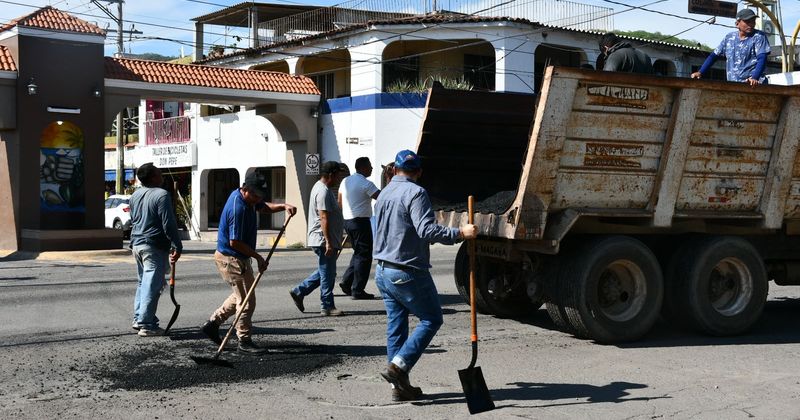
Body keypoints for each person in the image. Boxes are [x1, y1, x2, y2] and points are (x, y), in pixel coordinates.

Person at [373, 150, 477, 401]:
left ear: (394, 170)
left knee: (396, 327)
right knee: (431, 318)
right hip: (407, 271)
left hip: (383, 270)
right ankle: (398, 366)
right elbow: (426, 230)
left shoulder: (385, 192)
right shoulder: (416, 193)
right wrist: (460, 233)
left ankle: (399, 387)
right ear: (419, 172)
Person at [200, 172, 297, 354]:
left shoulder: (249, 199)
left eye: (260, 195)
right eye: (255, 195)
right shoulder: (238, 208)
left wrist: (283, 206)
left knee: (240, 295)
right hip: (231, 258)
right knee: (246, 301)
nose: (258, 199)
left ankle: (213, 324)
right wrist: (258, 257)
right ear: (245, 190)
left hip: (239, 257)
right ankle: (244, 341)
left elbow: (263, 207)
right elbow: (235, 242)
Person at [129, 163, 183, 337]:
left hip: (137, 244)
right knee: (152, 285)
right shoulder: (161, 195)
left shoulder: (135, 195)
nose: (162, 177)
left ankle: (139, 318)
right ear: (153, 177)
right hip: (153, 246)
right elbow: (168, 223)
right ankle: (146, 324)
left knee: (143, 283)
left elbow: (134, 219)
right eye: (160, 174)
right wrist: (177, 244)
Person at [289, 161, 346, 316]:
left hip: (325, 239)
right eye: (338, 175)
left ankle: (299, 291)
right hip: (323, 240)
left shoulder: (322, 188)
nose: (339, 179)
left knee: (326, 271)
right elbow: (323, 217)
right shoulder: (323, 191)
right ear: (331, 175)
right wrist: (328, 242)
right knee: (328, 274)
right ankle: (327, 306)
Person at [690, 8, 770, 86]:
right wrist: (700, 72)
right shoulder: (729, 38)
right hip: (733, 85)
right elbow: (713, 56)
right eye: (747, 21)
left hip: (753, 85)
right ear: (737, 24)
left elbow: (762, 58)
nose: (751, 24)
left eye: (753, 21)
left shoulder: (759, 36)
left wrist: (755, 77)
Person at [338, 157, 380, 299]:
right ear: (363, 167)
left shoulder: (345, 181)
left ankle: (347, 282)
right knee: (365, 256)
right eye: (370, 166)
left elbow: (339, 201)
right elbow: (382, 197)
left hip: (347, 221)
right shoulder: (366, 183)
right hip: (360, 222)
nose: (372, 168)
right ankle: (358, 290)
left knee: (358, 253)